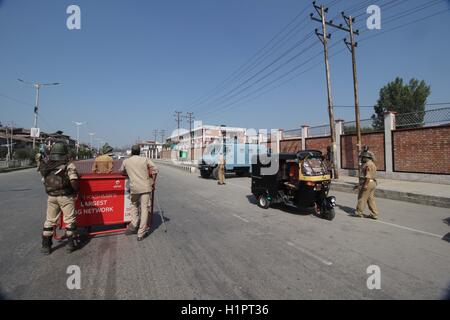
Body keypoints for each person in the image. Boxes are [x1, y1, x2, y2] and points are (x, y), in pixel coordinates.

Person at [39, 141, 80, 254]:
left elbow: (44, 180)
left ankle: (46, 246)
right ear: (64, 153)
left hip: (51, 197)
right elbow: (74, 181)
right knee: (70, 220)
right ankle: (71, 245)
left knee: (50, 221)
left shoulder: (46, 165)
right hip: (65, 197)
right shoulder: (68, 165)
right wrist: (76, 189)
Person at [120, 144, 158, 241]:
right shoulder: (145, 159)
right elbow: (155, 169)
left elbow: (121, 172)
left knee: (134, 205)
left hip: (134, 188)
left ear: (132, 152)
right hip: (145, 187)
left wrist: (129, 172)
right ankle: (141, 233)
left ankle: (134, 225)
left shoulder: (126, 161)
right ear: (139, 152)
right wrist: (153, 181)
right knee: (144, 209)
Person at [354, 151, 379, 219]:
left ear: (366, 158)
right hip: (372, 183)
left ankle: (359, 212)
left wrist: (365, 185)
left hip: (368, 183)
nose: (361, 159)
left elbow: (368, 176)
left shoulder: (368, 164)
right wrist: (359, 184)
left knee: (362, 198)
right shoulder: (371, 163)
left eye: (362, 157)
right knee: (371, 199)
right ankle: (374, 214)